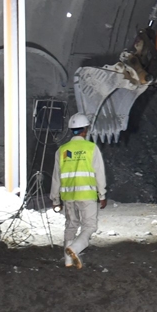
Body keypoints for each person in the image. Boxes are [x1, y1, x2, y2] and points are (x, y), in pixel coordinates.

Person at [50, 113, 107, 269]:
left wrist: (55, 199)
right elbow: (99, 173)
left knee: (71, 225)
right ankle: (74, 249)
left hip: (68, 196)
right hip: (87, 195)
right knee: (89, 227)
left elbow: (56, 177)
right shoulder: (91, 148)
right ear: (85, 130)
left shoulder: (62, 150)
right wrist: (102, 194)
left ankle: (68, 261)